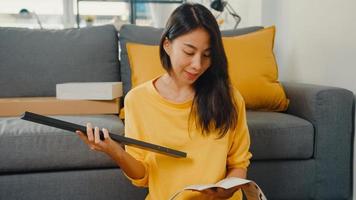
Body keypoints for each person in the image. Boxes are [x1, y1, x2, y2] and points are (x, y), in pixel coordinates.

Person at [76, 3, 251, 200]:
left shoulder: (228, 97)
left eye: (207, 55)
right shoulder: (138, 100)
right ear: (167, 45)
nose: (197, 65)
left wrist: (223, 192)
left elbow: (238, 164)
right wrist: (113, 151)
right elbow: (142, 176)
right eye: (189, 52)